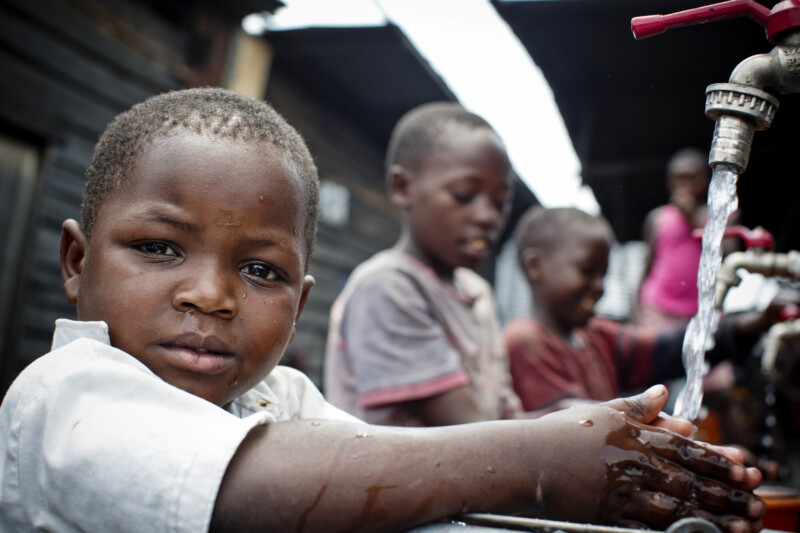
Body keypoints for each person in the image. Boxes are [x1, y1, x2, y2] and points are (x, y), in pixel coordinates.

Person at [0, 89, 765, 533]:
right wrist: (540, 460)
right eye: (159, 247)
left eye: (260, 270)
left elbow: (387, 473)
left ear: (299, 302)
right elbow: (251, 486)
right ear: (76, 262)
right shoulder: (62, 397)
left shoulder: (277, 397)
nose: (210, 294)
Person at [324, 102, 523, 427]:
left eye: (501, 202)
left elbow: (506, 418)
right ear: (402, 187)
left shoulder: (478, 293)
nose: (488, 217)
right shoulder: (387, 287)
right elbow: (467, 434)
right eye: (463, 195)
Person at [504, 205, 784, 415]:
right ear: (534, 266)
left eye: (603, 274)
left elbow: (671, 349)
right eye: (587, 270)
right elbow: (575, 424)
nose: (599, 287)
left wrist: (755, 322)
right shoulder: (525, 340)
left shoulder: (597, 336)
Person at [634, 147, 739, 330]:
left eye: (691, 178)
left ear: (705, 181)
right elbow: (647, 264)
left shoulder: (725, 215)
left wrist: (692, 218)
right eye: (678, 178)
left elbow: (731, 256)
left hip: (704, 311)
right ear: (669, 183)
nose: (684, 184)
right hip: (658, 308)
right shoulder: (657, 217)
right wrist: (636, 310)